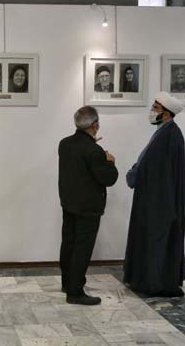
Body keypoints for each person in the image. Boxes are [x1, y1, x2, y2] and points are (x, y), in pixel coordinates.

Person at [124, 92, 185, 297]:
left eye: (156, 108)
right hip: (157, 198)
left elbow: (149, 166)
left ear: (166, 114)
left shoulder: (169, 135)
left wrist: (133, 174)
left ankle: (154, 282)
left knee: (156, 240)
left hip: (159, 201)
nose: (151, 110)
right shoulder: (166, 133)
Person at [58, 106, 118, 305]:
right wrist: (109, 161)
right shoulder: (94, 151)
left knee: (69, 243)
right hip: (88, 207)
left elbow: (78, 164)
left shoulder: (64, 144)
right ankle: (75, 292)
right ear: (95, 124)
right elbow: (108, 179)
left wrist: (95, 149)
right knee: (82, 248)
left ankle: (67, 283)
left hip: (69, 203)